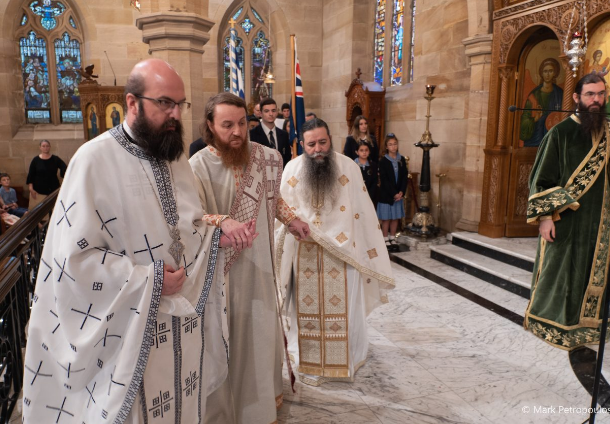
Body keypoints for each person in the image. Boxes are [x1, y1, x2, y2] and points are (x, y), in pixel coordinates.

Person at [23, 58, 249, 424]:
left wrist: (213, 238)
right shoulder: (93, 160)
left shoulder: (174, 155)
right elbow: (73, 262)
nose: (175, 114)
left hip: (181, 324)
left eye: (180, 104)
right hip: (130, 328)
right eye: (164, 103)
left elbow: (188, 227)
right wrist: (150, 280)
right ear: (132, 103)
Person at [190, 93, 310, 424]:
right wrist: (222, 221)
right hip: (223, 274)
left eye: (242, 123)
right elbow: (192, 218)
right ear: (210, 126)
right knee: (231, 338)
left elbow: (274, 199)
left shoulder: (264, 156)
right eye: (227, 125)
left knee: (260, 332)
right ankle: (231, 409)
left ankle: (262, 403)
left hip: (260, 266)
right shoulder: (197, 166)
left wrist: (292, 220)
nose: (237, 132)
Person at [275, 118, 394, 386]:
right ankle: (310, 362)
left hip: (343, 255)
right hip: (303, 254)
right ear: (301, 144)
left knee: (344, 312)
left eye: (323, 142)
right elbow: (281, 214)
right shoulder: (292, 169)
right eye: (311, 144)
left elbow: (361, 212)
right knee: (305, 313)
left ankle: (344, 359)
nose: (318, 149)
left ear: (330, 139)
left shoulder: (349, 167)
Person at [525, 73, 610, 350]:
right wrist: (545, 218)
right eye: (590, 94)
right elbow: (541, 179)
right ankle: (551, 322)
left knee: (590, 272)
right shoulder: (560, 133)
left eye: (600, 94)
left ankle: (589, 326)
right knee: (561, 272)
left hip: (599, 220)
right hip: (566, 217)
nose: (596, 100)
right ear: (576, 98)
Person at [520, 58, 564, 147]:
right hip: (535, 138)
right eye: (545, 71)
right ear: (541, 73)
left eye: (550, 71)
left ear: (555, 73)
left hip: (554, 137)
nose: (547, 74)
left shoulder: (560, 94)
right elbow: (524, 119)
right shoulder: (533, 96)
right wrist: (535, 119)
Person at [377, 134, 408, 247]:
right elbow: (384, 180)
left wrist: (401, 192)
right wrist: (394, 193)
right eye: (390, 144)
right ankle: (385, 237)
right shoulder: (383, 161)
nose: (393, 146)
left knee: (395, 217)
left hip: (398, 194)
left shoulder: (401, 159)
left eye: (395, 144)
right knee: (386, 218)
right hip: (387, 194)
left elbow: (404, 177)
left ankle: (392, 237)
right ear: (386, 146)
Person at [249, 98, 292, 168]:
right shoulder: (252, 134)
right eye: (266, 111)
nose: (271, 114)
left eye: (273, 110)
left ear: (277, 112)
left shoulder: (284, 135)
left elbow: (287, 159)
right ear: (261, 113)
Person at [26, 139, 67, 209]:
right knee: (39, 211)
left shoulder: (55, 159)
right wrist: (31, 188)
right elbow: (31, 174)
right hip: (38, 190)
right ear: (40, 147)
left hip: (53, 189)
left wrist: (64, 176)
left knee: (55, 209)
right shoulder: (36, 160)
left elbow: (64, 168)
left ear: (50, 147)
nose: (45, 148)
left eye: (47, 146)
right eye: (43, 146)